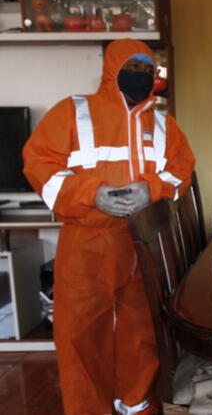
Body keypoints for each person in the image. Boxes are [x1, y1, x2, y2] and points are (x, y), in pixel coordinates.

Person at [23, 39, 195, 415]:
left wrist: (151, 189)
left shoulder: (165, 125)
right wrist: (92, 194)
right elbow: (39, 164)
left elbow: (181, 171)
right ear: (111, 69)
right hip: (88, 243)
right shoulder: (74, 112)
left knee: (143, 330)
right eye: (132, 68)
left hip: (145, 243)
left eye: (148, 70)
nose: (140, 77)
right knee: (81, 335)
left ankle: (136, 403)